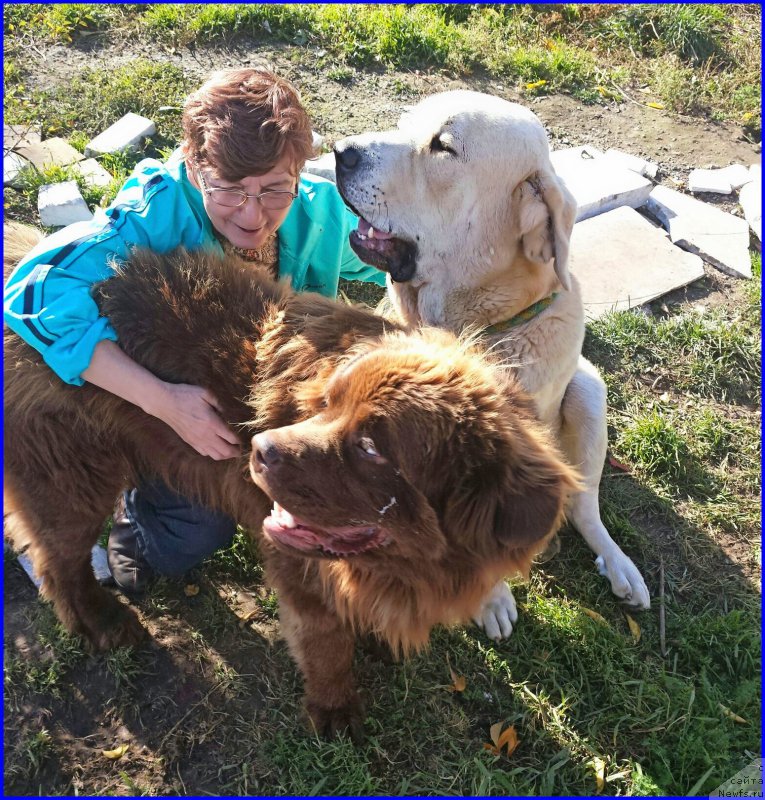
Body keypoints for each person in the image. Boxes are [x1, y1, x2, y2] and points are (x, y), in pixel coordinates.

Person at [4, 67, 386, 594]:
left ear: (299, 172)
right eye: (229, 189)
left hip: (249, 395)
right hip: (159, 404)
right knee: (189, 538)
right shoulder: (155, 211)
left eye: (275, 188)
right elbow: (33, 291)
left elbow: (397, 262)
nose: (253, 215)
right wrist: (162, 402)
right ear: (193, 164)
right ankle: (138, 509)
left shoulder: (317, 214)